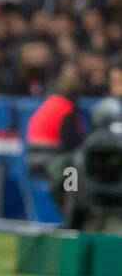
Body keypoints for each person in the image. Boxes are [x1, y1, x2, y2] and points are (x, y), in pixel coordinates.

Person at [26, 68, 86, 220]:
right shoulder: (66, 108)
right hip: (49, 162)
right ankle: (71, 215)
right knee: (74, 172)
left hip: (34, 162)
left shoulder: (49, 104)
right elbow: (71, 144)